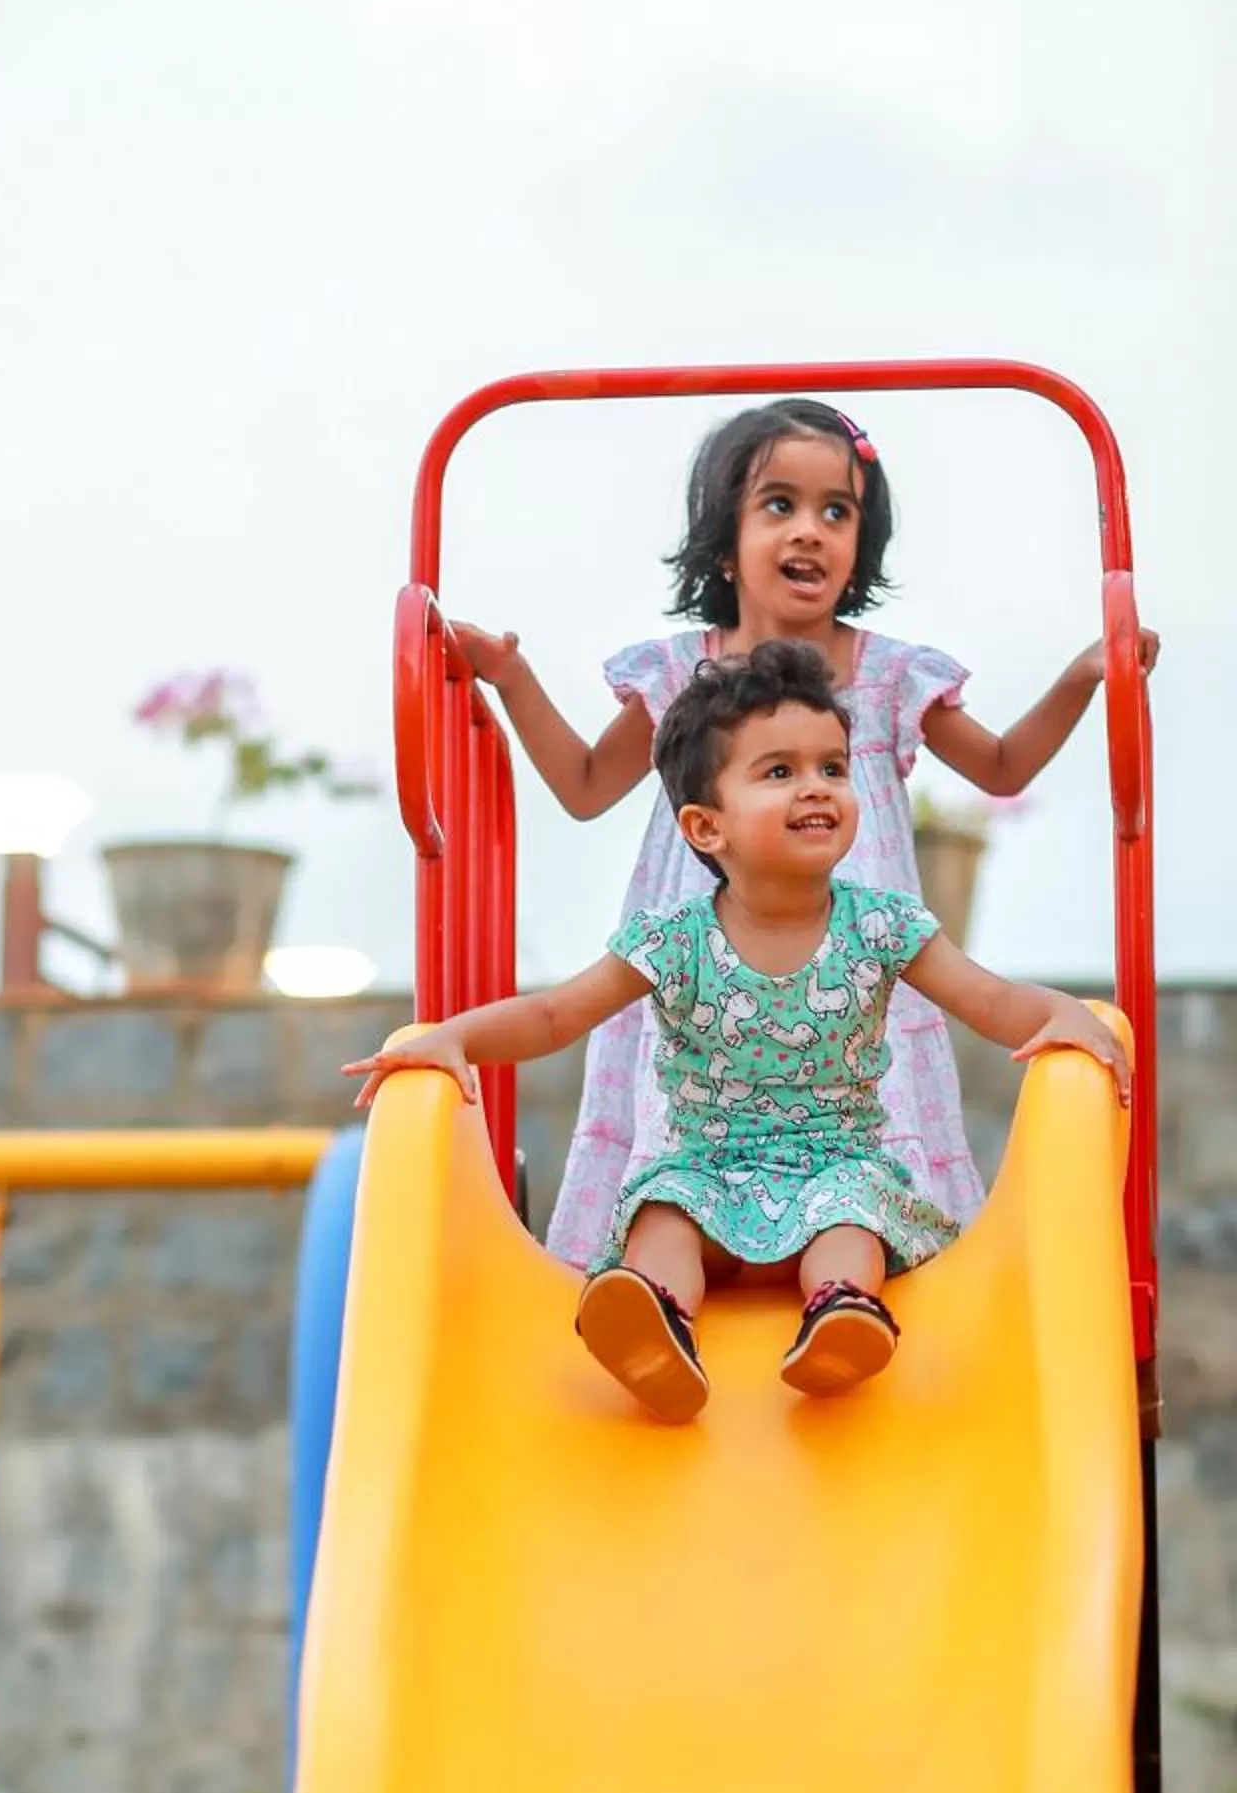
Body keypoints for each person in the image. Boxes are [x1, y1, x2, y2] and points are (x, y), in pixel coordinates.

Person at [446, 397, 1158, 1270]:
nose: (811, 530)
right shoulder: (679, 672)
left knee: (864, 1124)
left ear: (865, 541)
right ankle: (662, 1278)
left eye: (838, 511)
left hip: (845, 972)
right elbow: (587, 787)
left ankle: (856, 1274)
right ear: (725, 536)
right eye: (779, 505)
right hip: (710, 964)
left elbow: (1003, 767)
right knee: (684, 1134)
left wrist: (1089, 673)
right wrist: (513, 678)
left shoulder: (892, 675)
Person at [343, 640, 1130, 1424]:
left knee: (851, 1213)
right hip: (709, 1172)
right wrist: (455, 1038)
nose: (817, 788)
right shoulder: (674, 938)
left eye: (832, 766)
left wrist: (1059, 1012)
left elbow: (987, 1001)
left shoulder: (883, 926)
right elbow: (557, 1014)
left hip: (834, 1166)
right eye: (779, 772)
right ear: (705, 827)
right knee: (662, 1210)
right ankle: (657, 1327)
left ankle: (842, 1315)